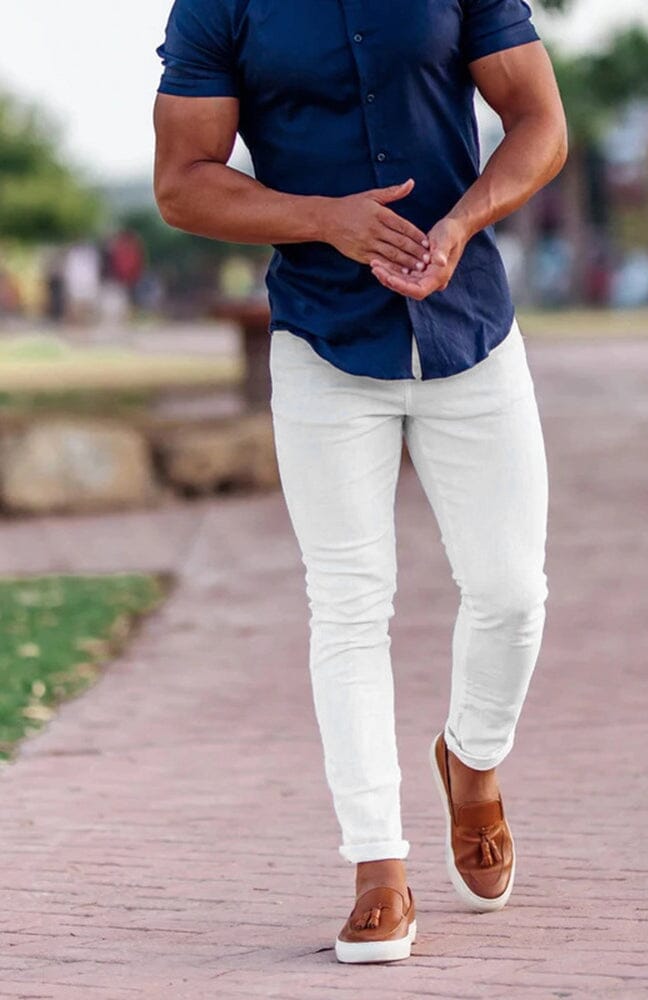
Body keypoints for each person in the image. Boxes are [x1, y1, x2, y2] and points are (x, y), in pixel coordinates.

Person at [153, 0, 567, 964]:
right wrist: (322, 221)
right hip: (322, 341)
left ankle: (472, 762)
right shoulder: (219, 6)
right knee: (347, 604)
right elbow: (181, 183)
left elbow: (539, 122)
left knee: (511, 591)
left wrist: (462, 221)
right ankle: (377, 867)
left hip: (471, 326)